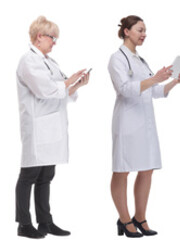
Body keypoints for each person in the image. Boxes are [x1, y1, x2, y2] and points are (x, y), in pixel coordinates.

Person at [108, 15, 180, 238]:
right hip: (127, 121)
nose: (144, 34)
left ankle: (139, 217)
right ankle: (124, 219)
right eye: (139, 30)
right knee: (122, 170)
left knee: (147, 168)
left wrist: (173, 82)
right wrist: (156, 78)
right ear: (126, 31)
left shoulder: (140, 60)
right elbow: (124, 88)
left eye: (145, 31)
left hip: (145, 122)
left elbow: (154, 92)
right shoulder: (117, 58)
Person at [15, 16, 86, 239]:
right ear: (39, 37)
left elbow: (60, 92)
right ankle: (24, 224)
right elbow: (44, 90)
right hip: (37, 128)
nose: (54, 43)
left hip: (53, 127)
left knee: (46, 175)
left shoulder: (50, 62)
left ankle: (45, 222)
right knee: (29, 175)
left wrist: (76, 85)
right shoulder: (28, 61)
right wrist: (68, 82)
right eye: (52, 38)